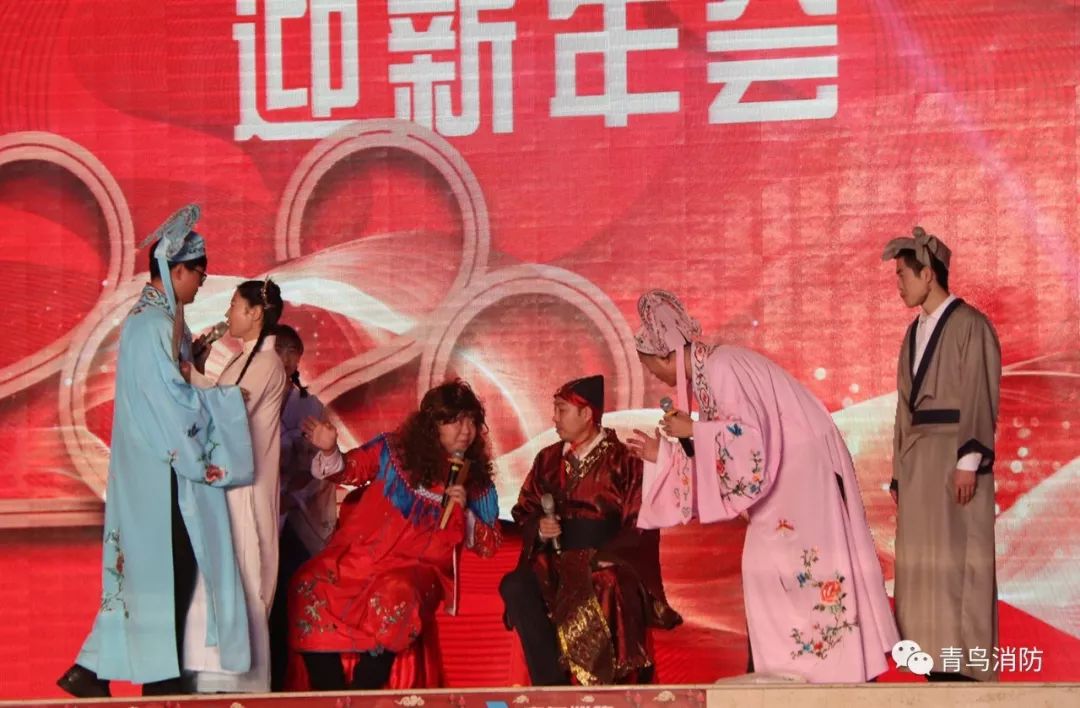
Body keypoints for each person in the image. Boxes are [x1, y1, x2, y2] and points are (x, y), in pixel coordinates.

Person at [627, 290, 899, 683]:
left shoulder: (721, 367)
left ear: (665, 353)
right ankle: (806, 667)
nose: (655, 376)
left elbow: (747, 439)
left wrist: (693, 430)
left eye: (651, 366)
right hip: (789, 473)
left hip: (799, 473)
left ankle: (821, 669)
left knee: (782, 567)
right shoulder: (713, 368)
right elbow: (731, 445)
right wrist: (668, 451)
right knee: (773, 568)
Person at [57, 205, 255, 697]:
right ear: (177, 270)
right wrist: (225, 401)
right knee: (167, 576)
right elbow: (173, 404)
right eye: (199, 274)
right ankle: (157, 684)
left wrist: (192, 365)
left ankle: (95, 671)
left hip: (151, 468)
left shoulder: (159, 323)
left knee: (149, 580)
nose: (201, 284)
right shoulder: (151, 326)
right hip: (158, 472)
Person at [289, 379, 502, 690]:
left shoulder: (476, 481)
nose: (465, 431)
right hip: (363, 556)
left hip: (417, 569)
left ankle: (363, 690)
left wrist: (466, 512)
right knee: (308, 582)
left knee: (396, 593)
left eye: (471, 421)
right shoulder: (393, 450)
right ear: (432, 425)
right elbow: (350, 470)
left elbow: (490, 544)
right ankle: (329, 690)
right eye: (455, 421)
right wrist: (330, 449)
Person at [500, 375, 681, 686]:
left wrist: (612, 555)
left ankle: (608, 685)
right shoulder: (547, 459)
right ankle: (551, 683)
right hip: (554, 559)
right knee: (516, 585)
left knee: (607, 580)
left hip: (605, 555)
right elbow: (525, 510)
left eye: (562, 410)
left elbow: (639, 520)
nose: (554, 418)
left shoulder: (625, 460)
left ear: (586, 414)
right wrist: (539, 528)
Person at [882, 226, 1001, 682]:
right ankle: (931, 661)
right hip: (919, 465)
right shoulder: (912, 334)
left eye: (902, 274)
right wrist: (900, 472)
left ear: (928, 274)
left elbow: (979, 392)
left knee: (959, 561)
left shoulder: (971, 325)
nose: (898, 284)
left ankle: (965, 667)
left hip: (954, 459)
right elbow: (903, 407)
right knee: (923, 564)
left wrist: (969, 460)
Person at [183, 279, 288, 693]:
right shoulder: (243, 359)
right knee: (223, 572)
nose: (228, 314)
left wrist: (191, 376)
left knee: (245, 573)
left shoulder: (267, 363)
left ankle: (240, 679)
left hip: (249, 489)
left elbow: (230, 407)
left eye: (233, 305)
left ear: (255, 313)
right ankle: (215, 674)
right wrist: (199, 369)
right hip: (231, 487)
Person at [267, 323, 337, 691]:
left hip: (297, 521)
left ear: (295, 360)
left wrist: (290, 495)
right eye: (276, 352)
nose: (283, 360)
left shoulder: (309, 408)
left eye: (288, 354)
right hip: (258, 519)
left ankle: (324, 689)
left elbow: (320, 471)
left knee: (296, 602)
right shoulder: (247, 398)